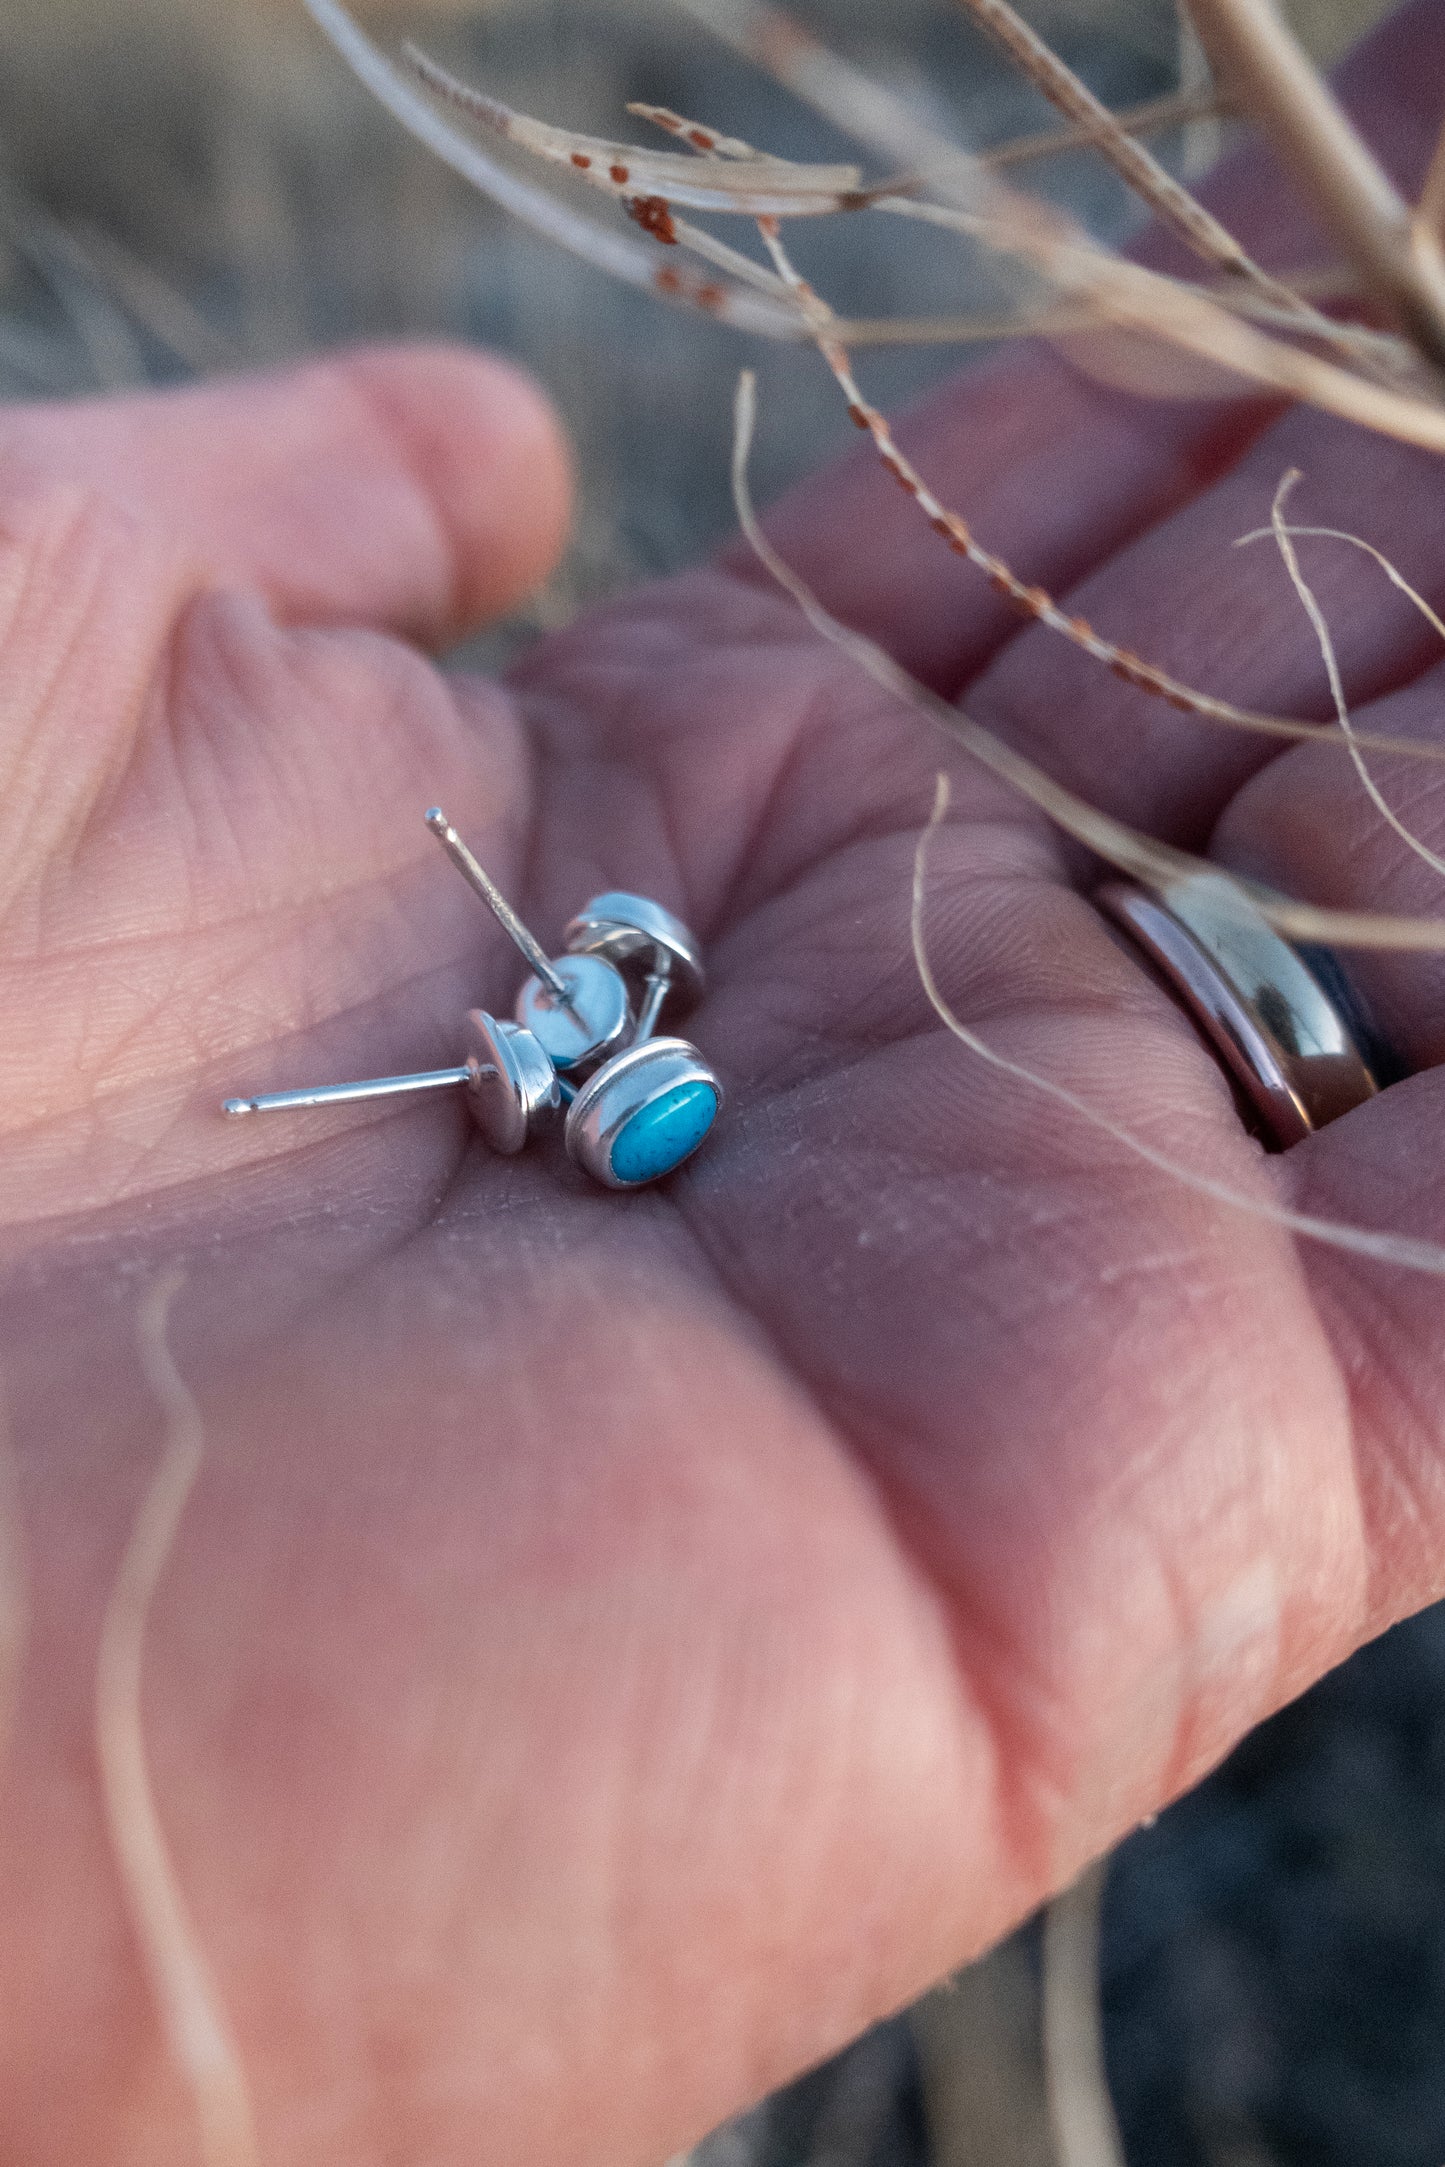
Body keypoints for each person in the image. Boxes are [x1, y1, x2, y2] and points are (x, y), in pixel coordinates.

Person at [2, 2, 1444, 2157]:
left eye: (590, 1020)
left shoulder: (611, 1011)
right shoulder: (582, 1045)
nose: (590, 1027)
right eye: (580, 1029)